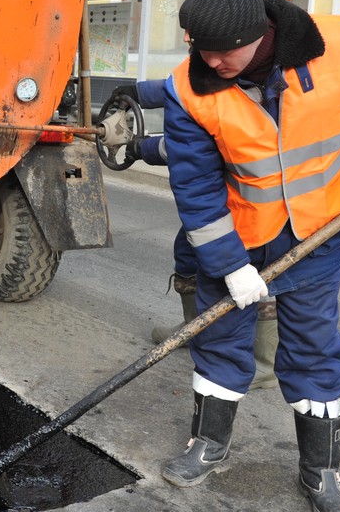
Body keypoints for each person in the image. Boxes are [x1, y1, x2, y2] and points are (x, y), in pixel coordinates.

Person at [158, 0, 340, 512]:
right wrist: (231, 267)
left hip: (318, 237)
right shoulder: (187, 88)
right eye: (200, 47)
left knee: (312, 348)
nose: (213, 60)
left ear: (263, 34)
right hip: (238, 238)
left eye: (225, 50)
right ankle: (208, 442)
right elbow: (197, 190)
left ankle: (321, 470)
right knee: (220, 341)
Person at [106, 77, 279, 391]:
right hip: (221, 199)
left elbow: (181, 147)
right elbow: (186, 85)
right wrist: (135, 93)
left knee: (258, 274)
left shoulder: (253, 95)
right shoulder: (217, 70)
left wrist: (136, 146)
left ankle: (264, 365)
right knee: (187, 251)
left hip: (252, 206)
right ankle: (194, 326)